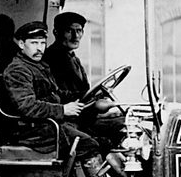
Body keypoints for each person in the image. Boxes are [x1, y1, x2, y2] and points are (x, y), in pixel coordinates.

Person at [0, 21, 140, 177]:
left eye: (42, 43)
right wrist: (63, 110)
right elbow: (27, 107)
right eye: (34, 43)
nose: (40, 48)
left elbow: (57, 95)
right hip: (32, 130)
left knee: (101, 141)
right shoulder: (17, 70)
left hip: (46, 125)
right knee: (88, 144)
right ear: (21, 44)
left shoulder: (38, 66)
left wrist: (91, 103)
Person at [47, 10, 127, 149]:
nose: (75, 36)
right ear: (56, 32)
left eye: (79, 31)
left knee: (126, 122)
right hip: (69, 119)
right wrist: (94, 101)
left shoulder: (72, 58)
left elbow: (84, 91)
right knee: (120, 127)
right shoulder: (52, 58)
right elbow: (59, 95)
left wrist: (99, 97)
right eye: (69, 31)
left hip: (82, 115)